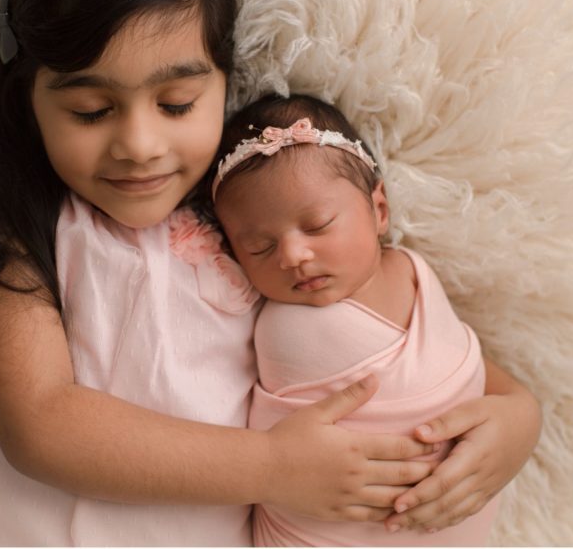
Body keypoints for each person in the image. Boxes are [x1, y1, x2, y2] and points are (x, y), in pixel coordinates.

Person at [0, 0, 541, 546]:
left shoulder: (254, 219)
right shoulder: (12, 229)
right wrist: (272, 467)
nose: (139, 144)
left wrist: (516, 416)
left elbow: (397, 335)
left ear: (225, 83)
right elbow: (41, 423)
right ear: (25, 98)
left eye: (176, 104)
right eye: (92, 109)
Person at [209, 94, 503, 545]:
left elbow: (465, 367)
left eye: (318, 224)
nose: (292, 255)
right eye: (259, 247)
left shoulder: (417, 272)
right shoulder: (287, 329)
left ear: (379, 211)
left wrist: (517, 416)